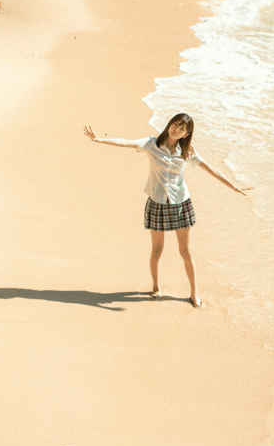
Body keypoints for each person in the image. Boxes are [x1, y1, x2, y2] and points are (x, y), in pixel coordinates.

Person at [83, 113, 251, 308]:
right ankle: (156, 286)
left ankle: (194, 292)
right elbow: (126, 142)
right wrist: (99, 139)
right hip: (157, 203)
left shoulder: (187, 152)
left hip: (181, 203)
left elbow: (210, 169)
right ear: (170, 123)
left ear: (186, 134)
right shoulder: (151, 143)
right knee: (157, 249)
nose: (177, 129)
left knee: (185, 251)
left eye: (182, 128)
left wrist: (233, 186)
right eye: (176, 124)